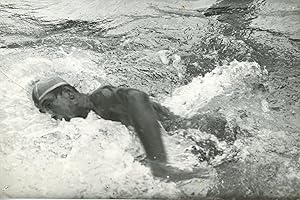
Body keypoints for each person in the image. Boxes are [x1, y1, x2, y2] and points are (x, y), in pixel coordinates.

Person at [32, 77, 210, 182]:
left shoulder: (101, 99)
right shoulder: (97, 119)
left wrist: (158, 163)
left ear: (68, 93)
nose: (52, 115)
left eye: (49, 105)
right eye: (44, 112)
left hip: (207, 135)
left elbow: (137, 96)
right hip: (196, 142)